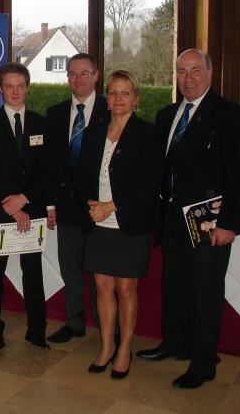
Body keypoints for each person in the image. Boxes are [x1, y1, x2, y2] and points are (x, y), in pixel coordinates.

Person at [137, 49, 240, 388]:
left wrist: (230, 223)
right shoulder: (167, 114)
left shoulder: (230, 115)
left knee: (206, 292)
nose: (188, 78)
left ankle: (202, 363)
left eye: (195, 71)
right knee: (175, 286)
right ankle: (174, 344)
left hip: (210, 222)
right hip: (173, 220)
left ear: (210, 74)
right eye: (181, 71)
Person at [75, 70, 162, 380]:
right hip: (97, 220)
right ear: (106, 97)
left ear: (136, 98)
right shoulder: (94, 132)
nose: (118, 99)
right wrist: (92, 206)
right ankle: (107, 346)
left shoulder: (148, 134)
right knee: (102, 286)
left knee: (126, 289)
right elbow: (82, 176)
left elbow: (150, 184)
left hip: (129, 221)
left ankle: (125, 348)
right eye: (113, 93)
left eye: (125, 93)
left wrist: (111, 206)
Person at [0, 62, 48, 352]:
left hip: (31, 211)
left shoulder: (42, 124)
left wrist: (25, 200)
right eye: (9, 85)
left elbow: (47, 170)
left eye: (20, 85)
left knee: (33, 274)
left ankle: (37, 331)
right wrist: (11, 205)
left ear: (28, 87)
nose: (15, 91)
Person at [45, 53, 108, 344]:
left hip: (99, 209)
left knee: (100, 274)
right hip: (66, 207)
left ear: (96, 76)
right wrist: (51, 204)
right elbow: (50, 162)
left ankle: (106, 327)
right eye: (72, 73)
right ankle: (75, 322)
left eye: (85, 73)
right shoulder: (56, 113)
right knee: (71, 270)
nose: (78, 79)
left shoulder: (111, 111)